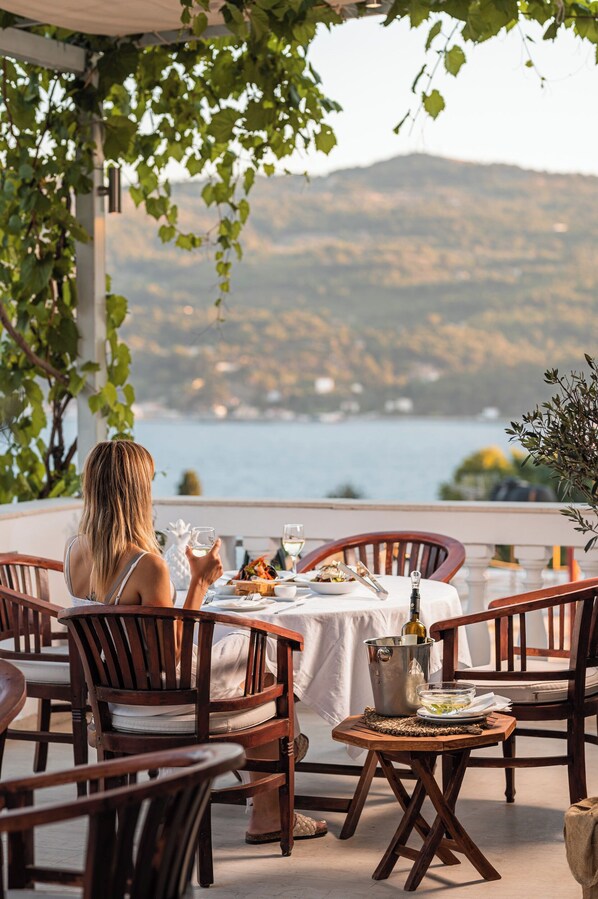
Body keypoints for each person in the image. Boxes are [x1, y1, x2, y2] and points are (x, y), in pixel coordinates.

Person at [65, 439, 326, 843]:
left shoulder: (74, 553)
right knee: (270, 661)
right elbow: (171, 658)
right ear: (137, 492)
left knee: (245, 649)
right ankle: (277, 776)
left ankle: (278, 760)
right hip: (168, 703)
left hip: (115, 701)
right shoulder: (145, 565)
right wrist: (200, 583)